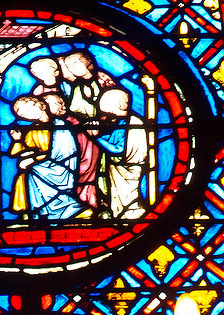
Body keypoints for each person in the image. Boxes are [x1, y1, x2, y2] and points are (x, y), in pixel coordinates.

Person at [8, 95, 85, 220]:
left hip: (61, 168)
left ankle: (59, 209)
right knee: (24, 175)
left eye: (28, 111)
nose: (27, 116)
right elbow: (21, 152)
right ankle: (32, 214)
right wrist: (17, 141)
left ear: (42, 106)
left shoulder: (60, 126)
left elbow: (64, 153)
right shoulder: (33, 131)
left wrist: (33, 160)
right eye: (23, 115)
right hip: (42, 166)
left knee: (31, 171)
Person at [59, 51, 114, 208]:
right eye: (70, 66)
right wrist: (84, 124)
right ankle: (89, 202)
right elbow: (75, 112)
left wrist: (101, 122)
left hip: (109, 134)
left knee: (105, 169)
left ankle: (104, 203)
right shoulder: (77, 86)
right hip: (85, 136)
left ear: (87, 62)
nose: (72, 68)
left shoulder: (103, 80)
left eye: (75, 64)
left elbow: (118, 103)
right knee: (84, 169)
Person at [96, 86, 150, 219]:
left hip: (128, 169)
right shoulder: (122, 122)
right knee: (118, 200)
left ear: (119, 105)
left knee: (128, 199)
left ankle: (130, 215)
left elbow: (118, 150)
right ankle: (121, 215)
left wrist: (96, 138)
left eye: (109, 107)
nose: (108, 112)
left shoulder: (133, 123)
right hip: (118, 169)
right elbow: (112, 140)